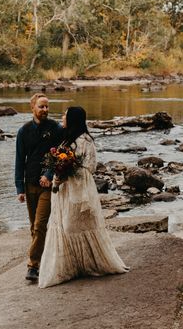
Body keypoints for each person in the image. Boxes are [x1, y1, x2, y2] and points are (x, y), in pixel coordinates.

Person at [39, 106, 128, 288]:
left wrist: (68, 169)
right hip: (64, 189)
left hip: (78, 189)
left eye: (65, 115)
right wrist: (59, 170)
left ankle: (88, 263)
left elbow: (91, 166)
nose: (62, 117)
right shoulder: (66, 139)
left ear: (73, 119)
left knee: (76, 224)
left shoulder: (85, 140)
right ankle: (70, 266)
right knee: (63, 225)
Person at [15, 93, 62, 281]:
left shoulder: (56, 129)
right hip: (29, 183)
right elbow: (19, 161)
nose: (45, 110)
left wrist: (49, 175)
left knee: (40, 224)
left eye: (47, 107)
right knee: (34, 227)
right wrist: (19, 188)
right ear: (32, 108)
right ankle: (43, 260)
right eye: (41, 106)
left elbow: (60, 154)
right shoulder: (23, 131)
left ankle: (32, 266)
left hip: (47, 186)